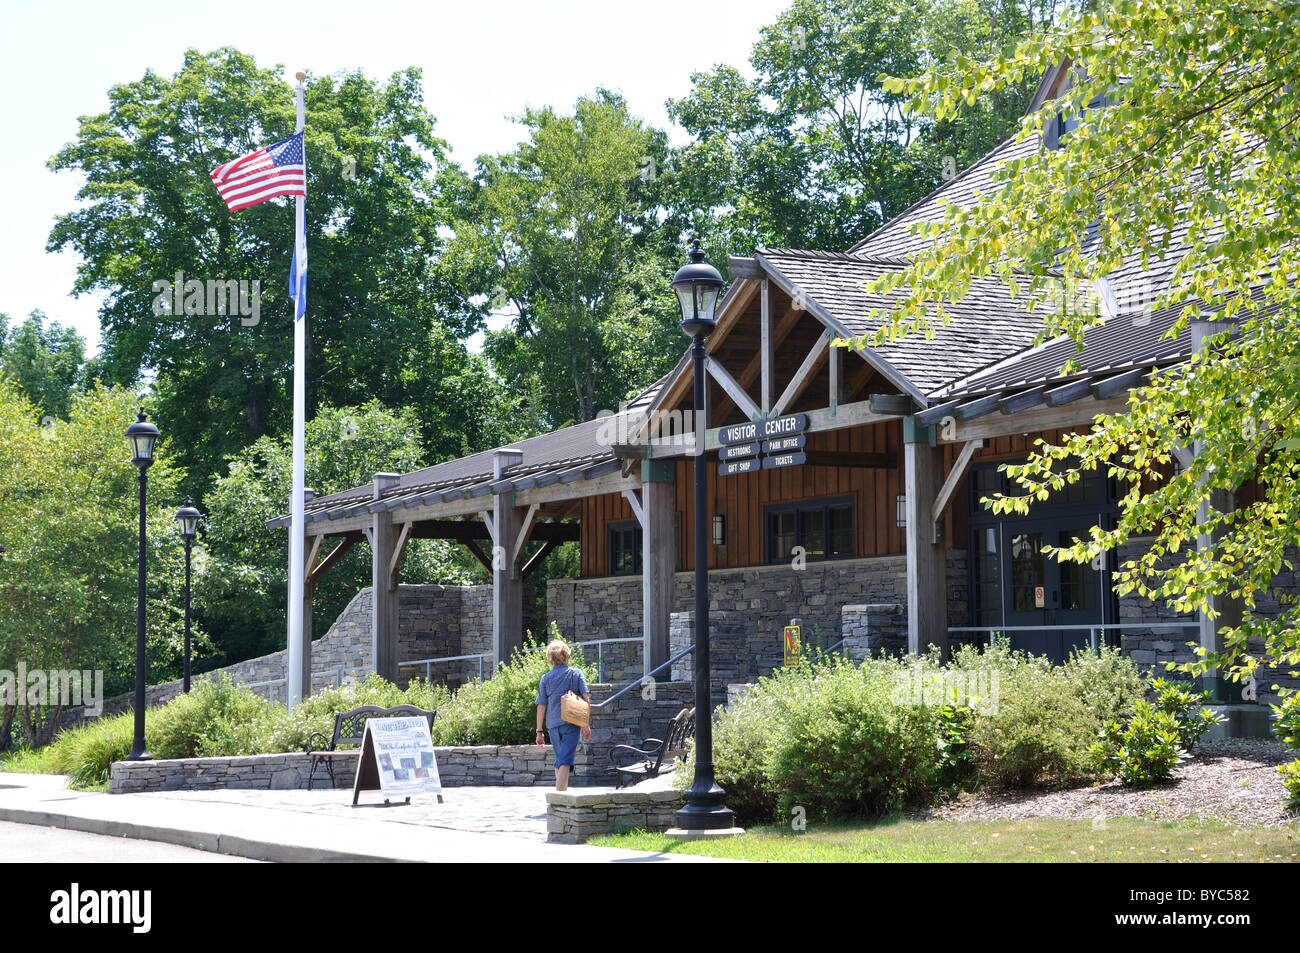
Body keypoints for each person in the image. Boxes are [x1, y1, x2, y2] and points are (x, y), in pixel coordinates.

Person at [535, 640, 591, 791]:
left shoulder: (545, 678)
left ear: (551, 658)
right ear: (567, 655)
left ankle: (562, 796)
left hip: (552, 725)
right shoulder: (576, 673)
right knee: (565, 761)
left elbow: (541, 707)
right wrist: (585, 724)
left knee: (560, 760)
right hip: (571, 722)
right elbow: (586, 699)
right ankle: (558, 799)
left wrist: (539, 732)